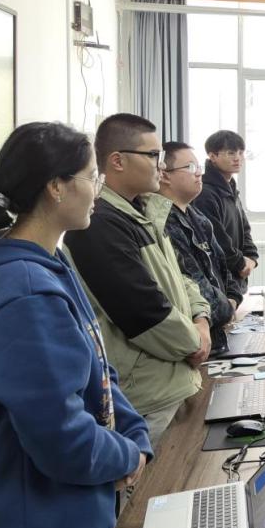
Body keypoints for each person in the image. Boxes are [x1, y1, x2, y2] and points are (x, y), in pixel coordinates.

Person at [0, 122, 151, 528]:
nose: (97, 191)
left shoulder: (52, 261)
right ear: (56, 186)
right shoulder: (25, 292)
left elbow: (98, 368)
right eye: (92, 177)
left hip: (70, 518)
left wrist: (135, 434)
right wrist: (127, 456)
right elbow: (61, 437)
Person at [64, 113, 211, 448]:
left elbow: (181, 279)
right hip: (145, 396)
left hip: (172, 379)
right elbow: (144, 313)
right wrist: (196, 341)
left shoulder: (143, 212)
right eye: (153, 155)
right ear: (118, 161)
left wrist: (201, 317)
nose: (162, 166)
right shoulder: (99, 224)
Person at [158, 141, 241, 356]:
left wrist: (233, 299)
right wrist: (226, 309)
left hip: (218, 333)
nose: (199, 173)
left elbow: (224, 269)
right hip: (197, 343)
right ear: (164, 175)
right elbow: (193, 280)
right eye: (190, 167)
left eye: (199, 167)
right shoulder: (163, 222)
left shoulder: (199, 218)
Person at [195, 130, 259, 296]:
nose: (238, 158)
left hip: (237, 280)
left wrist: (251, 258)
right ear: (212, 156)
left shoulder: (231, 188)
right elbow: (216, 239)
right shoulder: (205, 193)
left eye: (241, 152)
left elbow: (245, 229)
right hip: (220, 282)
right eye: (231, 153)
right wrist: (240, 264)